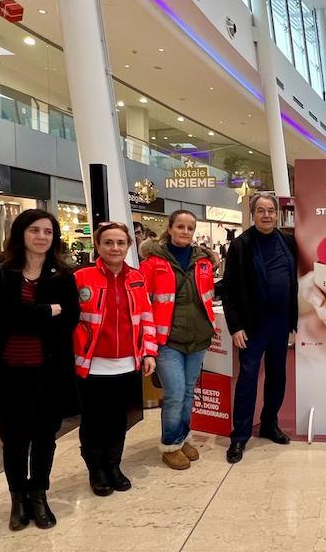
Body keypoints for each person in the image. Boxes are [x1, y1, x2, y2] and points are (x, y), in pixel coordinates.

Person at [0, 209, 81, 530]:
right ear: (21, 234)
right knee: (13, 440)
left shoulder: (62, 276)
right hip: (9, 373)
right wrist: (45, 312)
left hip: (49, 373)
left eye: (48, 232)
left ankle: (38, 494)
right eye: (34, 230)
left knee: (44, 438)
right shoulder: (0, 273)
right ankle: (17, 498)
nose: (41, 237)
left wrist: (24, 314)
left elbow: (69, 318)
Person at [73, 223, 158, 496]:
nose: (115, 248)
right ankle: (96, 470)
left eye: (121, 243)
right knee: (94, 420)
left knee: (119, 420)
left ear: (129, 246)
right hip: (93, 365)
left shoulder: (136, 278)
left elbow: (147, 317)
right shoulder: (81, 277)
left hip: (127, 364)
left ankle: (113, 465)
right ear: (98, 246)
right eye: (108, 242)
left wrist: (149, 351)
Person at [221, 193, 298, 464]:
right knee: (248, 379)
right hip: (253, 325)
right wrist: (235, 327)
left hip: (281, 323)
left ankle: (269, 424)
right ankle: (239, 436)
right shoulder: (241, 245)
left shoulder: (288, 242)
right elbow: (228, 289)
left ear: (277, 214)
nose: (267, 215)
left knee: (278, 376)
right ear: (253, 215)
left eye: (271, 211)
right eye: (261, 211)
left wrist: (293, 320)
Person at [140, 210, 219, 470]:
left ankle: (183, 437)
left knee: (187, 392)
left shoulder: (202, 262)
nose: (185, 232)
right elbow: (144, 304)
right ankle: (171, 445)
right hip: (167, 340)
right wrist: (148, 343)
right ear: (170, 228)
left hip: (198, 338)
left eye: (190, 228)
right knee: (174, 393)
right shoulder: (152, 263)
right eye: (180, 227)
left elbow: (208, 296)